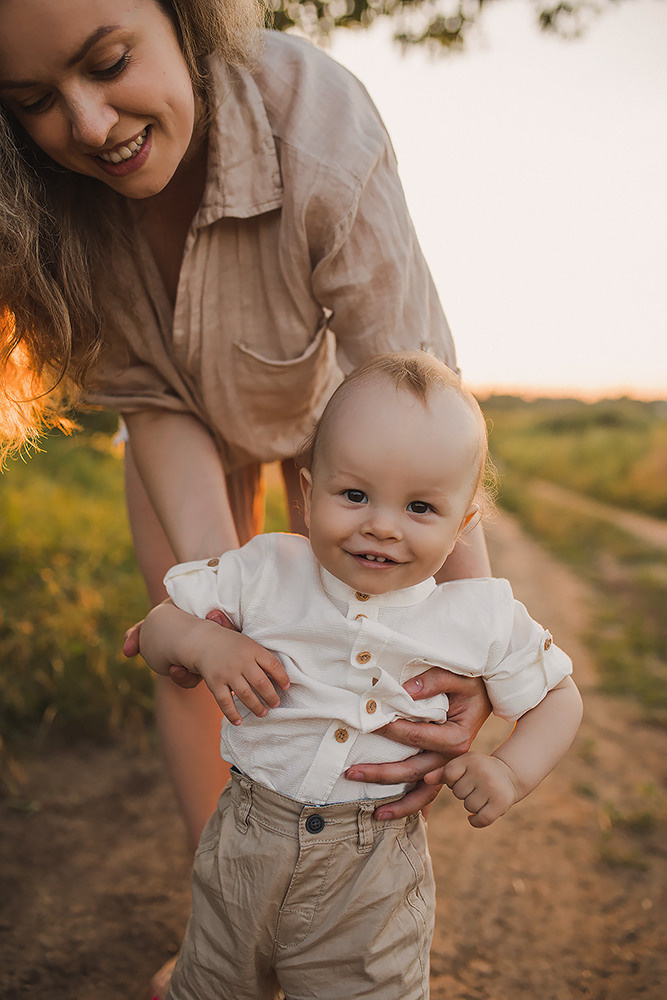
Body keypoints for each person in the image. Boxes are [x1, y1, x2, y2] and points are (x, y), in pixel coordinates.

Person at [0, 2, 492, 993]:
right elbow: (149, 398)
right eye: (36, 102)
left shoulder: (317, 123)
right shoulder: (37, 206)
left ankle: (344, 913)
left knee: (363, 620)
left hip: (335, 422)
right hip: (173, 420)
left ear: (184, 14)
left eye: (108, 61)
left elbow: (418, 401)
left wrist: (466, 635)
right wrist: (215, 600)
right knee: (200, 644)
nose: (91, 126)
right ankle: (233, 911)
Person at [139, 352, 583, 1000]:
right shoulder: (265, 570)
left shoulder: (474, 614)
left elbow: (558, 698)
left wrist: (509, 770)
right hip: (245, 841)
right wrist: (202, 642)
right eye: (354, 495)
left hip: (372, 866)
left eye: (420, 508)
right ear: (308, 490)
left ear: (461, 526)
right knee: (216, 984)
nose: (381, 523)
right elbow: (154, 629)